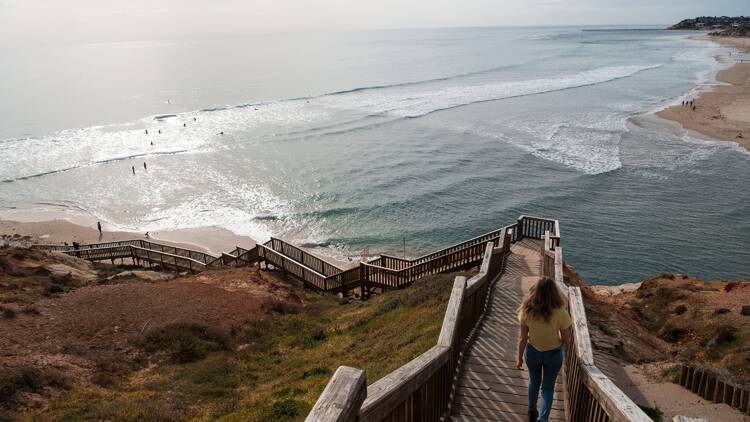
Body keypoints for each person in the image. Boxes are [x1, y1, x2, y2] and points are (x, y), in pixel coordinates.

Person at [517, 277, 572, 422]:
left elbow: (523, 338)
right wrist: (562, 347)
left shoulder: (527, 310)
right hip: (553, 355)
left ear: (535, 291)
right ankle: (543, 419)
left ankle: (531, 411)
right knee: (547, 388)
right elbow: (566, 340)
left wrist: (518, 359)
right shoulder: (561, 313)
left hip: (533, 352)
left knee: (534, 381)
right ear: (554, 293)